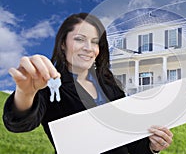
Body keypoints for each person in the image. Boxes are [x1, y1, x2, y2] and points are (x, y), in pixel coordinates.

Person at [3, 13, 173, 154]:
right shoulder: (48, 85)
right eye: (79, 39)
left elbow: (129, 142)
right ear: (63, 44)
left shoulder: (109, 84)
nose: (88, 48)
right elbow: (19, 124)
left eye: (94, 41)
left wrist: (152, 147)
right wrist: (26, 92)